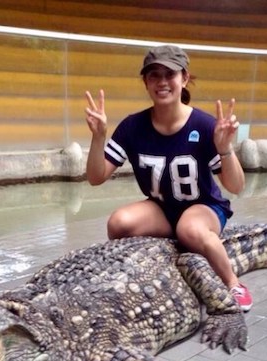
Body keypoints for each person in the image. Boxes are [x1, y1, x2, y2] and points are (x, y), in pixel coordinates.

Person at [84, 44, 253, 311]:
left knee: (190, 229)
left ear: (184, 78)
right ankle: (142, 272)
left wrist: (224, 148)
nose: (162, 82)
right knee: (119, 223)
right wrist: (98, 137)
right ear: (146, 81)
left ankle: (233, 282)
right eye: (154, 75)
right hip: (162, 209)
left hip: (205, 208)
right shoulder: (132, 126)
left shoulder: (204, 125)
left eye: (170, 74)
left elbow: (236, 186)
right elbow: (95, 177)